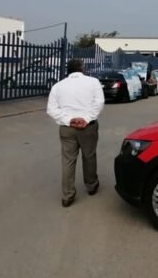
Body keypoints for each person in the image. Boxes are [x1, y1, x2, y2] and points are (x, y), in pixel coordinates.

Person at [46, 59, 105, 207]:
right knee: (89, 156)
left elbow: (51, 109)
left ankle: (67, 195)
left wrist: (69, 120)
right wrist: (86, 119)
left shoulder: (58, 86)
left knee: (68, 161)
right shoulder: (93, 82)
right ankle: (91, 185)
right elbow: (99, 102)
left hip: (67, 128)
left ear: (68, 70)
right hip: (88, 127)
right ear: (81, 68)